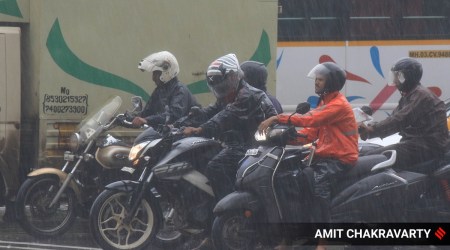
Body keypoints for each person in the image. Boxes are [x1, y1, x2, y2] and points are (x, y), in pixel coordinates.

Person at [258, 62, 359, 250]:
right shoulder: (325, 102)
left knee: (319, 186)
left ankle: (323, 241)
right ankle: (292, 236)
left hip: (341, 158)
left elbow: (311, 119)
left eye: (320, 80)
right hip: (324, 156)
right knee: (287, 180)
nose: (317, 83)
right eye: (317, 79)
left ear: (331, 83)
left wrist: (276, 118)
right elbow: (311, 132)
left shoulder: (338, 105)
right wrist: (286, 137)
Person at [182, 53, 277, 249]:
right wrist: (189, 119)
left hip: (255, 145)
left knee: (216, 166)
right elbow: (214, 110)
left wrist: (201, 129)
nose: (221, 88)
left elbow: (225, 116)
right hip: (239, 142)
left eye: (224, 82)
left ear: (235, 77)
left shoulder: (247, 95)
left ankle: (231, 211)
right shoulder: (231, 93)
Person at [359, 57, 449, 172]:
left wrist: (372, 130)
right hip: (417, 143)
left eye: (398, 77)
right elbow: (393, 118)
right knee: (370, 155)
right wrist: (369, 127)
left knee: (375, 158)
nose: (395, 81)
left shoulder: (421, 96)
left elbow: (399, 120)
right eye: (394, 77)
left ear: (407, 77)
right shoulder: (409, 95)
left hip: (428, 146)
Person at [132, 51, 200, 127]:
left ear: (167, 71)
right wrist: (131, 118)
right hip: (171, 133)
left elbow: (173, 116)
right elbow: (147, 112)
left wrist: (147, 120)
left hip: (189, 134)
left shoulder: (180, 90)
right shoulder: (160, 91)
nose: (153, 78)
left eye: (156, 73)